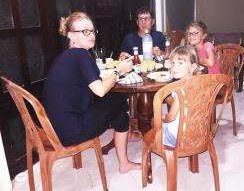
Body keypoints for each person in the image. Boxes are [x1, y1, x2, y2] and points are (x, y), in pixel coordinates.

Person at [43, 12, 141, 173]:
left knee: (118, 109)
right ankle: (125, 141)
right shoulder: (81, 55)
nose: (91, 35)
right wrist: (119, 71)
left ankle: (124, 140)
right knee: (120, 99)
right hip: (72, 131)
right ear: (70, 35)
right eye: (84, 31)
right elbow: (100, 91)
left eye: (92, 31)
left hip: (54, 128)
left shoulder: (64, 56)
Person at [163, 45, 199, 147]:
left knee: (154, 123)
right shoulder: (200, 85)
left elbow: (171, 117)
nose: (175, 67)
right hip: (197, 133)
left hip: (179, 137)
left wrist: (162, 118)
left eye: (180, 63)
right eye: (173, 63)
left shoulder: (180, 90)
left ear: (192, 67)